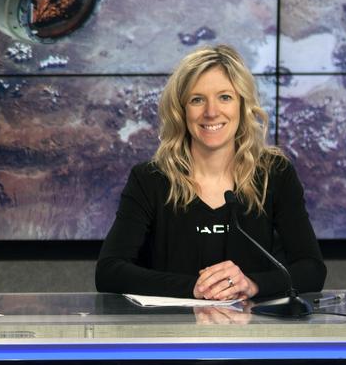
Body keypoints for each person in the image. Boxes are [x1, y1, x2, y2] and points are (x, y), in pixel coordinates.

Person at [95, 44, 325, 301]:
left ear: (242, 105)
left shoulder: (275, 174)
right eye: (197, 100)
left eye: (225, 97)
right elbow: (109, 272)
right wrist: (195, 288)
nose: (211, 112)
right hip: (171, 334)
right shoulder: (150, 179)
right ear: (181, 111)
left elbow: (312, 270)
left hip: (255, 334)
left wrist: (252, 285)